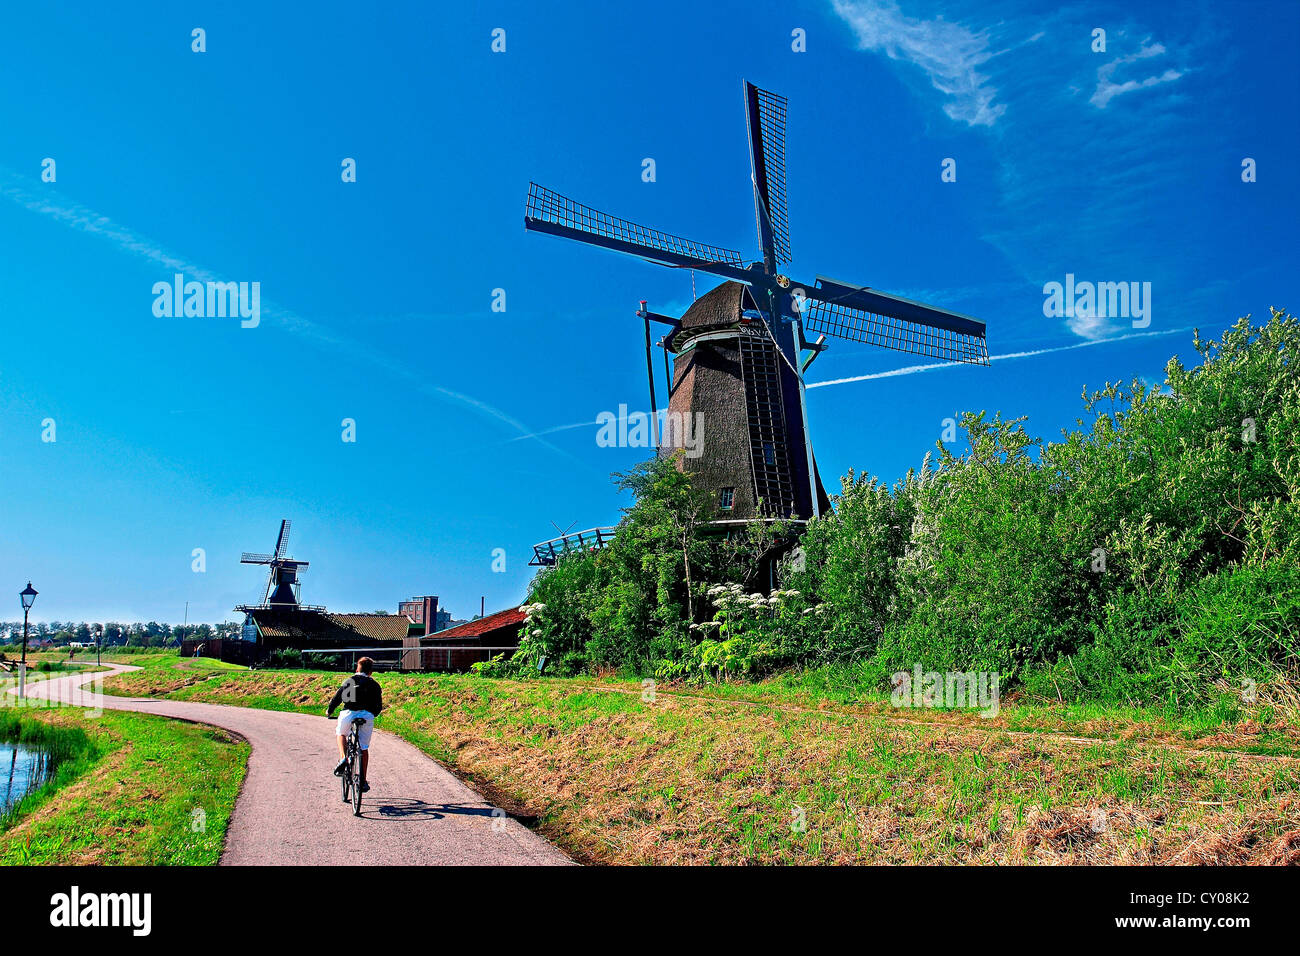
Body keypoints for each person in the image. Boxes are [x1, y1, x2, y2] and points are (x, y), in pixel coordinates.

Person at [327, 657, 383, 791]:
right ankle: (363, 780)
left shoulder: (349, 681)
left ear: (357, 668)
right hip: (366, 715)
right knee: (363, 747)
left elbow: (337, 698)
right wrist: (372, 714)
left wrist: (329, 711)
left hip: (349, 713)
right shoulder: (374, 685)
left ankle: (343, 759)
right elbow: (378, 706)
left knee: (341, 734)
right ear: (370, 672)